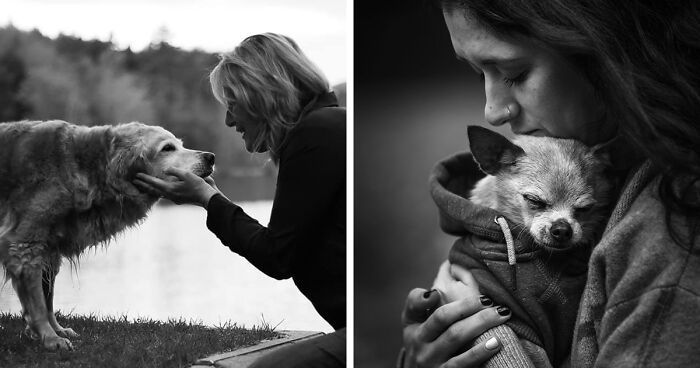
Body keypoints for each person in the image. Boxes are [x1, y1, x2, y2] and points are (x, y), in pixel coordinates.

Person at [400, 1, 700, 367]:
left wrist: (501, 350)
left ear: (601, 48)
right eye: (480, 75)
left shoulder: (671, 236)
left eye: (514, 72)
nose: (492, 111)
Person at [133, 33, 346, 367]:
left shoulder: (316, 134)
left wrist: (208, 199)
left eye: (232, 107)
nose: (229, 121)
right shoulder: (327, 126)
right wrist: (212, 198)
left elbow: (278, 257)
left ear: (261, 97)